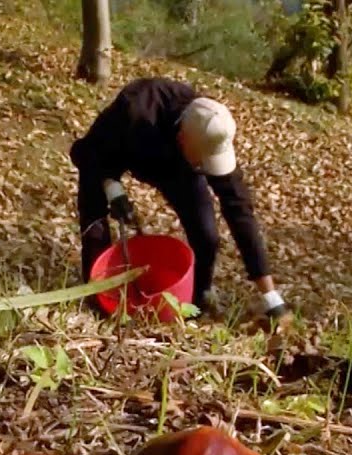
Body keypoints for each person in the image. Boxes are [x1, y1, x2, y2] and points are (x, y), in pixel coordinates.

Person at [69, 77, 290, 322]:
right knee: (95, 224)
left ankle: (194, 302)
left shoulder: (211, 130)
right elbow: (86, 153)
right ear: (183, 138)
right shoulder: (136, 109)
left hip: (178, 169)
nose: (208, 167)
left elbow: (240, 213)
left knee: (206, 236)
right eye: (202, 161)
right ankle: (101, 298)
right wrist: (113, 189)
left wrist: (271, 297)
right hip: (116, 155)